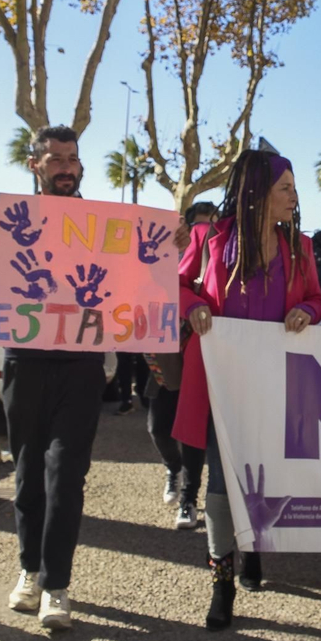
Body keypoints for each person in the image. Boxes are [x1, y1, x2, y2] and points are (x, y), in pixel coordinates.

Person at [176, 150, 321, 630]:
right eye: (285, 188)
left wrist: (308, 313)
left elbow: (316, 299)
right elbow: (176, 285)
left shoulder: (298, 246)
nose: (294, 197)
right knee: (220, 481)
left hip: (277, 383)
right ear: (257, 192)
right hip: (221, 380)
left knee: (266, 476)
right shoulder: (209, 239)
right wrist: (194, 304)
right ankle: (221, 579)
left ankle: (254, 546)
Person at [0, 126, 106, 631]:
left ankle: (57, 585)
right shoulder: (9, 221)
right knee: (28, 470)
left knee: (67, 473)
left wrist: (168, 247)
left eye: (72, 159)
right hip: (24, 359)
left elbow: (139, 279)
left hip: (81, 363)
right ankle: (29, 570)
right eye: (55, 160)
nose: (66, 168)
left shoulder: (105, 226)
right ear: (36, 165)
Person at [146, 203, 217, 531]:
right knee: (158, 427)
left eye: (210, 227)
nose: (204, 234)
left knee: (194, 432)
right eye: (198, 227)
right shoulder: (158, 253)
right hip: (162, 356)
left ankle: (188, 498)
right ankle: (172, 468)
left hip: (199, 355)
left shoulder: (217, 258)